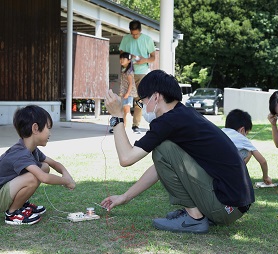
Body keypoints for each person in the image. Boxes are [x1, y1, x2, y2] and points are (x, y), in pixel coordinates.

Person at [101, 70, 254, 234]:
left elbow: (126, 158)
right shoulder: (183, 115)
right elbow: (161, 167)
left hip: (225, 207)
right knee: (164, 149)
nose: (142, 106)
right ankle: (197, 212)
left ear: (156, 97)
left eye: (142, 101)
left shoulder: (169, 121)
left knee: (163, 147)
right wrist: (125, 197)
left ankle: (194, 218)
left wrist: (117, 116)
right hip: (233, 205)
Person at [0, 105, 76, 225]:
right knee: (33, 177)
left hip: (6, 191)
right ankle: (13, 213)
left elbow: (54, 164)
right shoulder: (20, 153)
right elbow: (44, 178)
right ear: (35, 128)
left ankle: (21, 203)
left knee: (44, 166)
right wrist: (66, 181)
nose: (50, 133)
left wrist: (67, 175)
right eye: (48, 128)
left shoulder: (32, 149)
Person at [119, 19, 156, 133]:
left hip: (142, 72)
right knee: (125, 99)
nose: (134, 36)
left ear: (140, 31)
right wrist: (130, 56)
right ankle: (122, 125)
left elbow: (153, 57)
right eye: (132, 34)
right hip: (128, 72)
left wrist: (144, 59)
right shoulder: (126, 39)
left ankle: (136, 125)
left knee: (139, 99)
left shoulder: (147, 39)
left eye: (136, 34)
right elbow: (121, 54)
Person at [222, 109, 272, 185]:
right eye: (247, 133)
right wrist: (265, 177)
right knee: (249, 152)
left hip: (213, 169)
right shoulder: (242, 139)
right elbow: (262, 161)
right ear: (242, 130)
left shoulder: (220, 132)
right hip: (229, 172)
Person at [109, 52, 137, 133]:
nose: (121, 60)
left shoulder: (129, 72)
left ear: (129, 61)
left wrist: (127, 93)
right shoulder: (124, 70)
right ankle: (122, 128)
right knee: (123, 110)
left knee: (126, 110)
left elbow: (131, 84)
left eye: (123, 59)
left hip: (127, 94)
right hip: (124, 94)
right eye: (120, 58)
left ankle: (125, 128)